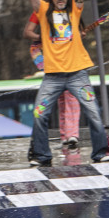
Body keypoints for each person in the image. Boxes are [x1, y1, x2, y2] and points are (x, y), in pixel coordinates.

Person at [19, 0, 109, 167]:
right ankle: (41, 156)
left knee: (94, 113)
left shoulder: (74, 8)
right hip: (53, 76)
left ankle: (101, 152)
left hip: (78, 74)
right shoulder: (42, 10)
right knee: (40, 114)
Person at [23, 11, 81, 149]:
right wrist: (43, 39)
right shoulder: (41, 9)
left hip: (67, 63)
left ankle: (69, 135)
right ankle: (63, 136)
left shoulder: (67, 10)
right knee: (46, 105)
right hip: (52, 69)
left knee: (69, 98)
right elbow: (29, 36)